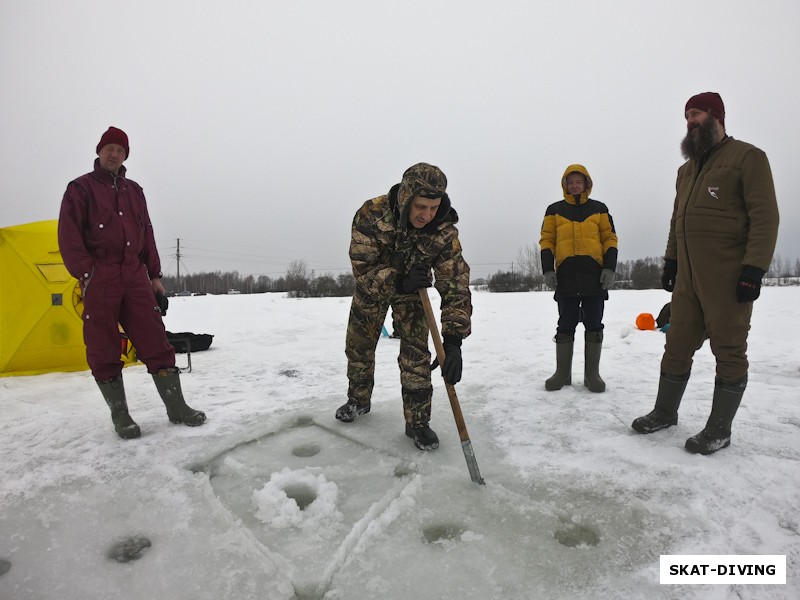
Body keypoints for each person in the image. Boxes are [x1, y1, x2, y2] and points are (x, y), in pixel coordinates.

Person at [631, 92, 779, 455]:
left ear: (716, 116)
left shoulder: (748, 158)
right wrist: (671, 261)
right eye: (686, 117)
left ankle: (719, 428)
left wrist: (753, 269)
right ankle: (665, 412)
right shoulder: (686, 170)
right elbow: (676, 220)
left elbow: (765, 217)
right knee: (676, 344)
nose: (689, 122)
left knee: (729, 349)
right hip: (688, 282)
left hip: (728, 279)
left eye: (695, 114)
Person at [58, 126, 206, 439]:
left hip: (135, 276)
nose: (114, 154)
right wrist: (88, 274)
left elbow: (147, 235)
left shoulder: (135, 190)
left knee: (156, 340)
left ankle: (177, 408)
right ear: (99, 152)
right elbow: (69, 238)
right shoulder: (80, 189)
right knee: (103, 346)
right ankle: (121, 416)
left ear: (126, 156)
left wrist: (154, 276)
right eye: (109, 148)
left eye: (120, 150)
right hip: (101, 277)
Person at [335, 163, 472, 451]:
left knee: (416, 356)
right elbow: (362, 268)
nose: (427, 215)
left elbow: (455, 283)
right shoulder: (371, 214)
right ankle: (358, 400)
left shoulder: (443, 231)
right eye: (421, 206)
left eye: (434, 207)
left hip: (414, 295)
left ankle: (418, 422)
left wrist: (454, 341)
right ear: (406, 198)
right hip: (373, 289)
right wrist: (399, 281)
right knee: (359, 347)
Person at [539, 164, 618, 393]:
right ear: (565, 185)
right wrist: (548, 270)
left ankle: (592, 375)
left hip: (595, 278)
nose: (574, 185)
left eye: (578, 182)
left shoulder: (600, 209)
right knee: (566, 324)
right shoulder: (553, 210)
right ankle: (562, 374)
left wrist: (609, 268)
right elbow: (547, 241)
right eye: (570, 182)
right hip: (566, 277)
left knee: (594, 324)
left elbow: (610, 239)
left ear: (586, 184)